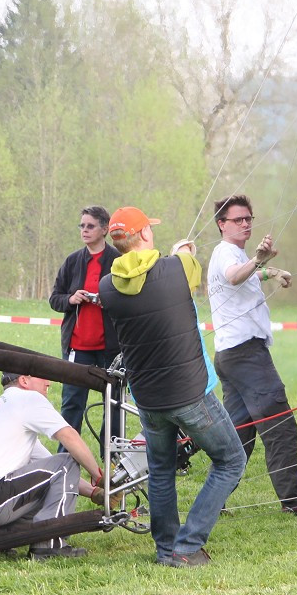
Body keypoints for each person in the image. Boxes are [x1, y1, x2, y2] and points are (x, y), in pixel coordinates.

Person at [98, 206, 246, 568]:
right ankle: (187, 544)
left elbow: (157, 272)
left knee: (161, 470)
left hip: (149, 398)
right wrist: (183, 250)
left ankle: (166, 550)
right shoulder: (176, 268)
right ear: (145, 236)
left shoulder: (106, 287)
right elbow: (185, 264)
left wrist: (177, 255)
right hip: (190, 393)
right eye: (148, 229)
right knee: (231, 460)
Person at [207, 195, 297, 515]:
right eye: (238, 220)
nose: (246, 224)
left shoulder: (231, 254)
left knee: (237, 438)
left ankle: (212, 502)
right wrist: (259, 260)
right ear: (222, 224)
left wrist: (269, 270)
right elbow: (234, 275)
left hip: (231, 356)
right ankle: (296, 503)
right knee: (280, 426)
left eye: (249, 218)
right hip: (246, 356)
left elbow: (240, 280)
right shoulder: (225, 253)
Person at [0, 372, 108, 560]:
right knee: (67, 462)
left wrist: (94, 493)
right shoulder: (27, 398)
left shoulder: (7, 409)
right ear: (24, 380)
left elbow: (52, 470)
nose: (49, 382)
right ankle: (49, 546)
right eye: (42, 376)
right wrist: (100, 477)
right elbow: (69, 437)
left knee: (57, 478)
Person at [48, 206, 121, 444]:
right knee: (71, 406)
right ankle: (66, 459)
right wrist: (71, 299)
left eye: (90, 226)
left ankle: (112, 460)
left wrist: (107, 300)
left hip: (111, 350)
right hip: (77, 349)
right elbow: (54, 299)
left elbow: (130, 301)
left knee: (114, 406)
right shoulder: (72, 261)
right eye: (82, 226)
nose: (85, 230)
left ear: (104, 229)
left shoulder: (118, 262)